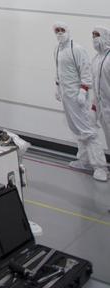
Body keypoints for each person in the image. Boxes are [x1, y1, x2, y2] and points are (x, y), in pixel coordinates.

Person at [53, 23, 106, 181]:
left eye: (63, 30)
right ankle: (85, 161)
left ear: (68, 31)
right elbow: (58, 70)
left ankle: (100, 167)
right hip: (66, 96)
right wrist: (57, 87)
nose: (60, 33)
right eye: (57, 30)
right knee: (77, 129)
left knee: (88, 131)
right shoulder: (57, 49)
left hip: (78, 97)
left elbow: (85, 70)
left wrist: (83, 90)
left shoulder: (76, 49)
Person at [90, 26, 110, 164]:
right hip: (102, 107)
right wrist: (94, 106)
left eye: (97, 35)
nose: (94, 39)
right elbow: (96, 85)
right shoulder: (96, 59)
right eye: (93, 36)